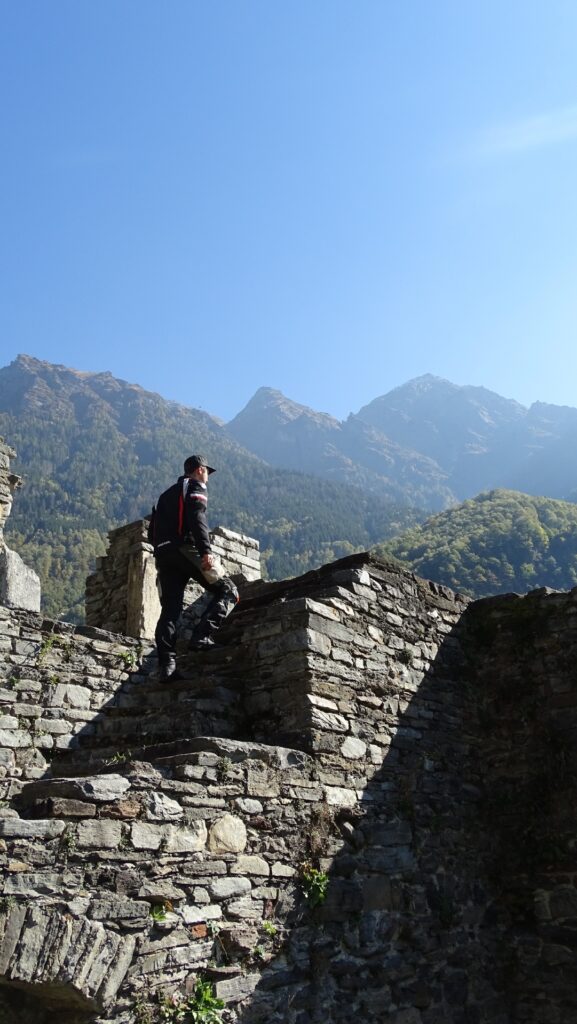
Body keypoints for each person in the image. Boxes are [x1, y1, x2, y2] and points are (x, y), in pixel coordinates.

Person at [149, 454, 239, 681]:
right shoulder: (195, 486)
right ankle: (201, 636)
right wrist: (206, 551)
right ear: (199, 469)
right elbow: (197, 518)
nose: (208, 475)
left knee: (170, 610)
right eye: (207, 471)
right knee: (229, 591)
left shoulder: (165, 495)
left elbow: (153, 530)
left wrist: (162, 549)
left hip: (163, 553)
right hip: (185, 549)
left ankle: (167, 666)